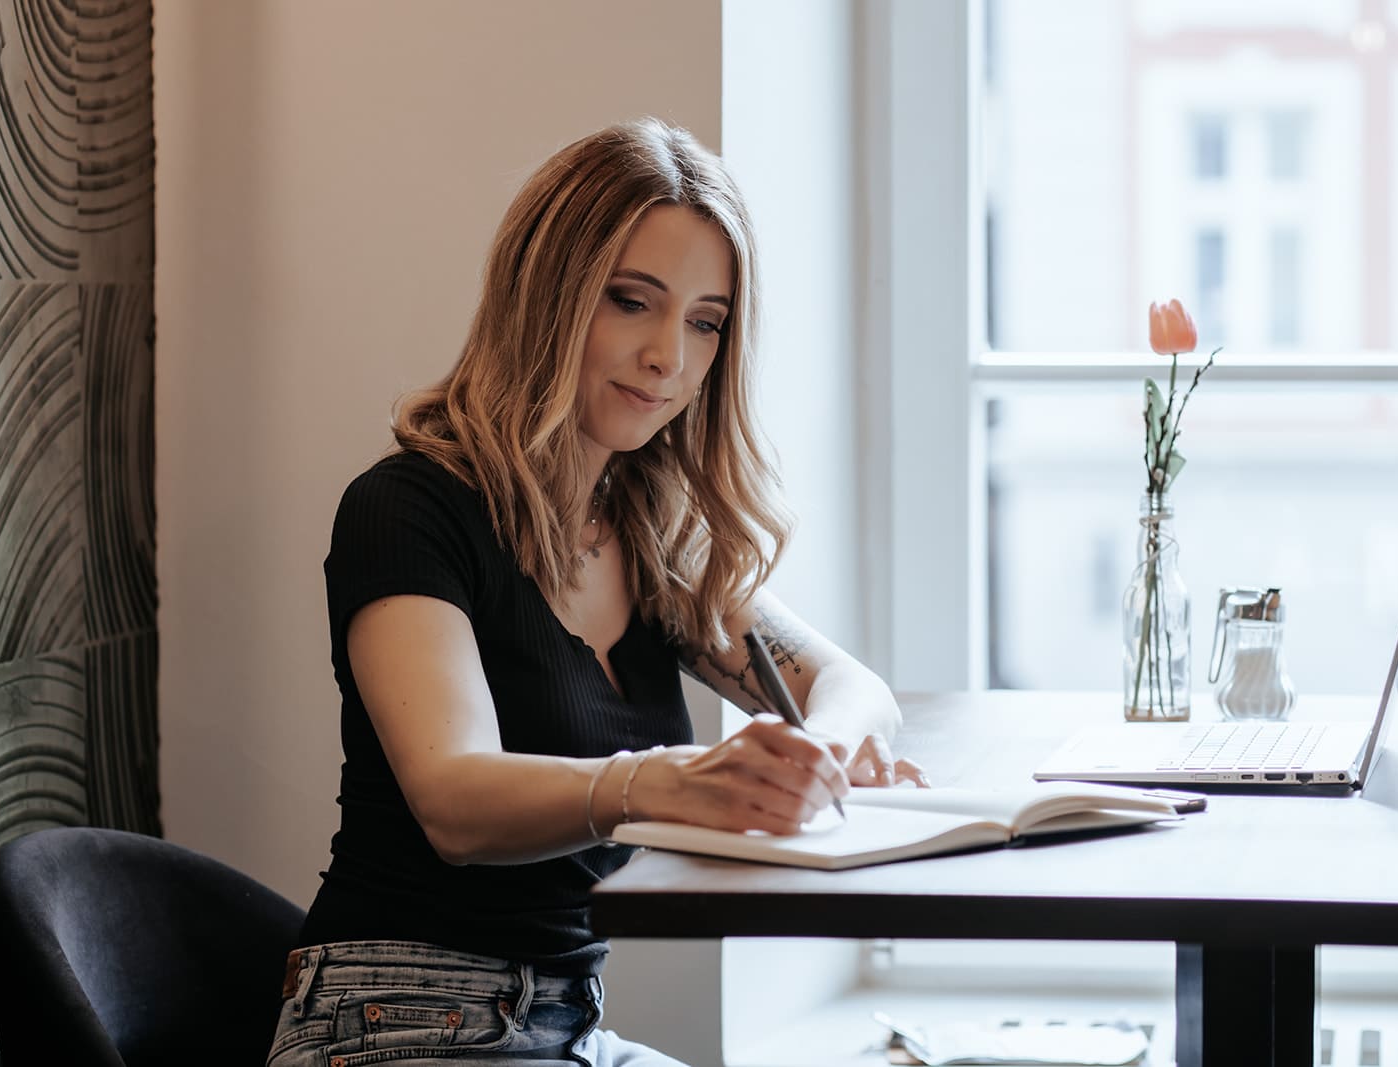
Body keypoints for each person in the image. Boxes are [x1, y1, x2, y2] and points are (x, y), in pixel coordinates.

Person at [267, 117, 925, 1067]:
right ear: (548, 294)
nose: (671, 356)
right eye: (631, 301)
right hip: (391, 1020)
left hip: (566, 1028)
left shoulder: (648, 532)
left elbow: (855, 687)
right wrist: (666, 781)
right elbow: (453, 798)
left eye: (706, 321)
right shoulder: (406, 510)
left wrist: (816, 758)